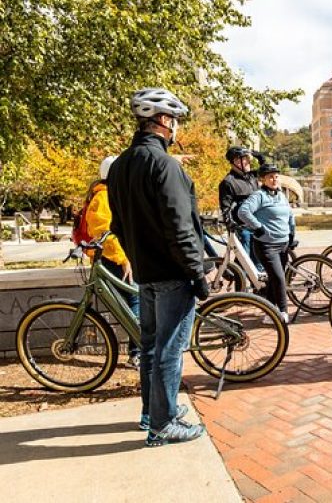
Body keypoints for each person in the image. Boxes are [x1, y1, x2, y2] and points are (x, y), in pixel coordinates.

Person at [107, 87, 207, 447]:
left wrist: (137, 257)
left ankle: (153, 413)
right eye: (175, 120)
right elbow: (180, 227)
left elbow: (117, 224)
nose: (176, 127)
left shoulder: (119, 166)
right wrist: (196, 273)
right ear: (163, 121)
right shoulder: (165, 165)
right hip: (172, 274)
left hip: (146, 273)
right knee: (169, 349)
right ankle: (163, 425)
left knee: (150, 347)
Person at [84, 155, 141, 369]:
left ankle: (140, 350)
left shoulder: (114, 194)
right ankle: (139, 352)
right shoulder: (103, 197)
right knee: (134, 301)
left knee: (137, 299)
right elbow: (103, 233)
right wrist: (123, 258)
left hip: (126, 256)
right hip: (114, 259)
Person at [237, 164, 296, 324]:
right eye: (270, 176)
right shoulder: (259, 196)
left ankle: (269, 314)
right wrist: (258, 227)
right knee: (279, 278)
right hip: (266, 246)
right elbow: (243, 212)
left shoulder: (281, 195)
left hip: (283, 244)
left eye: (276, 176)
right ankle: (283, 312)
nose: (274, 179)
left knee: (273, 280)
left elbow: (290, 214)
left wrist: (291, 234)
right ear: (262, 179)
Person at [218, 146, 266, 273]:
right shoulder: (228, 182)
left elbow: (267, 173)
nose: (248, 162)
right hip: (242, 228)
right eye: (244, 159)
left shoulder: (251, 176)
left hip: (256, 224)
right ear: (236, 162)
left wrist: (261, 159)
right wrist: (231, 225)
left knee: (258, 261)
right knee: (244, 262)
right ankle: (239, 288)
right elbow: (225, 208)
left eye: (247, 159)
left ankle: (259, 290)